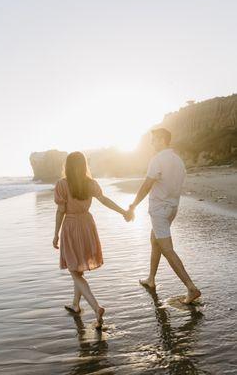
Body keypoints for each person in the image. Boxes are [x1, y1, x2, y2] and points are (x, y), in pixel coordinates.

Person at [52, 151, 129, 328]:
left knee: (73, 270)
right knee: (78, 269)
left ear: (68, 166)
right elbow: (104, 200)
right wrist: (123, 211)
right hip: (87, 225)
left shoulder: (62, 185)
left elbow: (60, 211)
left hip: (71, 226)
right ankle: (75, 305)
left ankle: (96, 307)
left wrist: (56, 233)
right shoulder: (90, 184)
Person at [125, 128, 201, 304]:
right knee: (155, 241)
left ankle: (191, 287)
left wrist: (133, 205)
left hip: (160, 210)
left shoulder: (158, 159)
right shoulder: (178, 160)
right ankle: (151, 279)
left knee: (167, 249)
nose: (152, 143)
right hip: (172, 208)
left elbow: (146, 185)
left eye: (154, 140)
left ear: (161, 139)